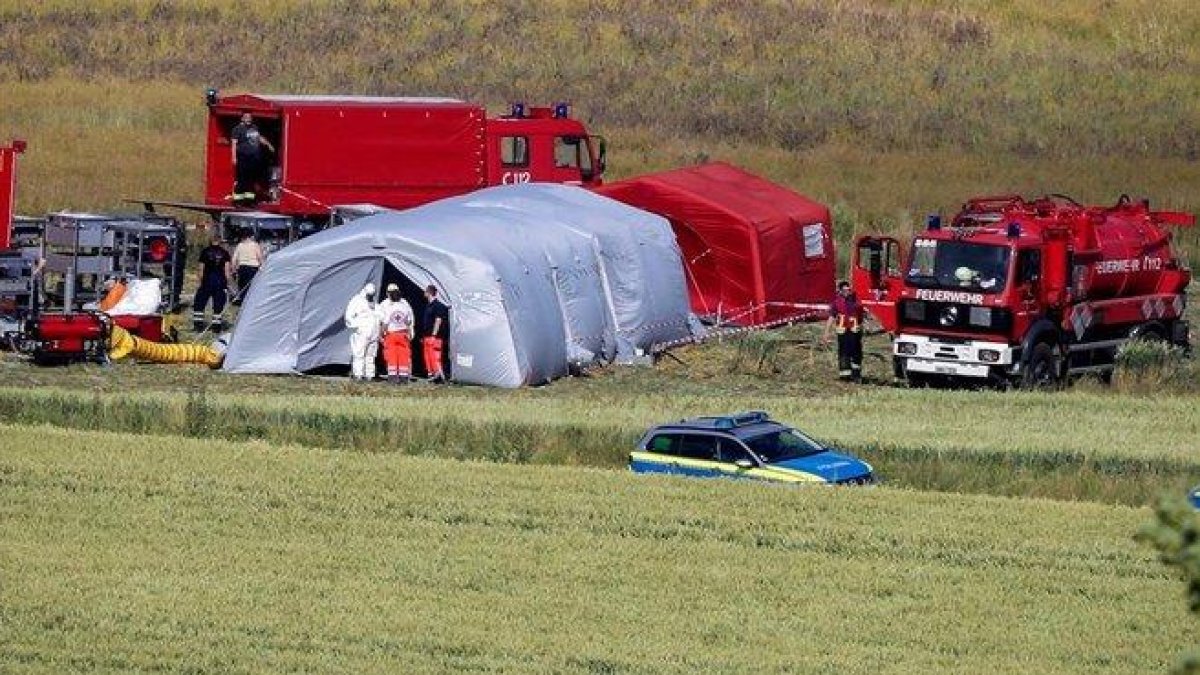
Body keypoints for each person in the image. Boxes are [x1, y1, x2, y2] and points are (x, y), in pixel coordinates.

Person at [821, 281, 864, 383]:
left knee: (856, 353)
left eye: (848, 289)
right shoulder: (836, 303)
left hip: (855, 332)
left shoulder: (856, 300)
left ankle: (856, 374)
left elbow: (862, 313)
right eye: (844, 290)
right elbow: (831, 317)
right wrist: (826, 333)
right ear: (840, 291)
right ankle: (845, 375)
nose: (847, 292)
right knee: (844, 353)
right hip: (843, 332)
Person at [230, 112, 274, 201]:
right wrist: (234, 157)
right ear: (242, 118)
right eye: (246, 117)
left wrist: (268, 145)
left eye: (250, 117)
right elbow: (234, 144)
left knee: (251, 179)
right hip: (243, 157)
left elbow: (259, 138)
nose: (248, 119)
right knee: (242, 179)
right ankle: (238, 200)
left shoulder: (254, 128)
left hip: (254, 158)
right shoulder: (237, 129)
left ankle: (249, 200)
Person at [192, 235, 233, 331]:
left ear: (211, 241)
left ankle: (198, 326)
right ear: (219, 241)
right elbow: (227, 271)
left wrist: (200, 282)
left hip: (207, 281)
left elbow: (201, 269)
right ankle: (216, 327)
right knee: (218, 305)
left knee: (199, 304)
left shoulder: (205, 252)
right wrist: (228, 284)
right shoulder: (225, 253)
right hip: (220, 282)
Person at [377, 283, 415, 384]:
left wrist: (380, 334)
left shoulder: (389, 308)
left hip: (392, 335)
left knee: (392, 356)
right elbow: (409, 321)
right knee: (403, 356)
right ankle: (403, 378)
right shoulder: (405, 306)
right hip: (403, 334)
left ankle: (393, 378)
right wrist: (410, 332)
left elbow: (384, 323)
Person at [344, 283, 381, 381]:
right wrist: (357, 327)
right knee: (359, 353)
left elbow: (379, 315)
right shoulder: (357, 300)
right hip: (362, 332)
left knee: (370, 355)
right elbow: (349, 316)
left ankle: (369, 375)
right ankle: (358, 374)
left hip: (374, 332)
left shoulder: (373, 302)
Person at [421, 284, 450, 383]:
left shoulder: (438, 306)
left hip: (435, 337)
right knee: (428, 357)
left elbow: (438, 321)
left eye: (425, 291)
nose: (424, 293)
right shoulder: (428, 306)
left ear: (429, 293)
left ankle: (441, 377)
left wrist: (434, 335)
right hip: (427, 336)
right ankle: (432, 375)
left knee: (435, 357)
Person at [230, 229, 264, 305]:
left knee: (242, 287)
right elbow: (260, 257)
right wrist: (263, 267)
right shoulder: (255, 245)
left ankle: (242, 303)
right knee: (252, 287)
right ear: (251, 236)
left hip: (242, 268)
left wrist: (233, 270)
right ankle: (251, 304)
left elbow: (234, 259)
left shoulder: (239, 245)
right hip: (253, 269)